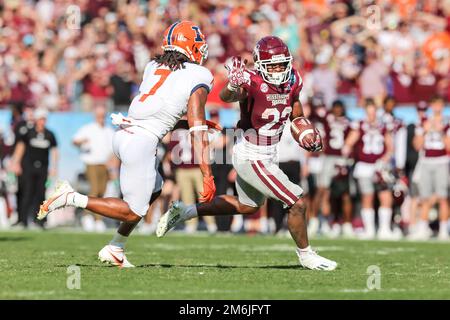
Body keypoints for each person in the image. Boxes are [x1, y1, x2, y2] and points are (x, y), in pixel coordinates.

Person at [38, 21, 218, 267]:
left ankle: (116, 247)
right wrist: (207, 173)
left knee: (155, 188)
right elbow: (196, 127)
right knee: (134, 211)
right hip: (140, 141)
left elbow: (158, 114)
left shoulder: (153, 66)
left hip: (125, 133)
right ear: (192, 47)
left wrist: (187, 124)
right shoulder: (199, 74)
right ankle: (70, 198)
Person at [157, 36, 337, 271]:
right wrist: (232, 85)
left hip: (269, 152)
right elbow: (227, 97)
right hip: (251, 154)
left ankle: (185, 211)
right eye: (272, 64)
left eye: (282, 64)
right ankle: (306, 255)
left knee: (247, 206)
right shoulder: (250, 80)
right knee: (296, 203)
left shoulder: (293, 79)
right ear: (260, 64)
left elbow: (296, 112)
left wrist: (305, 130)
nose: (278, 69)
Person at [343, 98, 398, 240]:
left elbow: (391, 147)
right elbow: (349, 143)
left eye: (374, 111)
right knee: (367, 197)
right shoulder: (359, 124)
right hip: (364, 166)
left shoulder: (383, 125)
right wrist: (347, 154)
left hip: (380, 166)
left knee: (385, 196)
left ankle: (384, 229)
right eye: (370, 112)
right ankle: (369, 229)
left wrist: (384, 160)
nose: (372, 115)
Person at [10, 108, 58, 229]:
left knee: (41, 194)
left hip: (43, 168)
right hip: (28, 167)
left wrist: (54, 167)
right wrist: (15, 162)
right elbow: (21, 147)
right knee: (27, 192)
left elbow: (54, 151)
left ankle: (40, 221)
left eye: (44, 119)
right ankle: (23, 220)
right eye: (40, 119)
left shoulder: (49, 134)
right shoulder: (28, 132)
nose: (42, 122)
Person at [410, 95, 449, 240]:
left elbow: (449, 146)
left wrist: (441, 132)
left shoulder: (447, 122)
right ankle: (423, 229)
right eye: (434, 104)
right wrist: (426, 131)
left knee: (443, 197)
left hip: (442, 161)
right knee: (424, 197)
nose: (437, 107)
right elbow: (416, 146)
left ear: (443, 106)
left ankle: (444, 231)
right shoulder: (423, 121)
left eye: (439, 104)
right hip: (426, 161)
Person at [72, 104, 115, 232]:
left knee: (102, 191)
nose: (101, 118)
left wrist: (112, 166)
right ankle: (87, 216)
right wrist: (81, 142)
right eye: (99, 115)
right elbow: (75, 141)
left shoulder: (109, 131)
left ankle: (98, 219)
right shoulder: (88, 129)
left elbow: (113, 150)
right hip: (91, 163)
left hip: (104, 164)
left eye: (103, 115)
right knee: (95, 189)